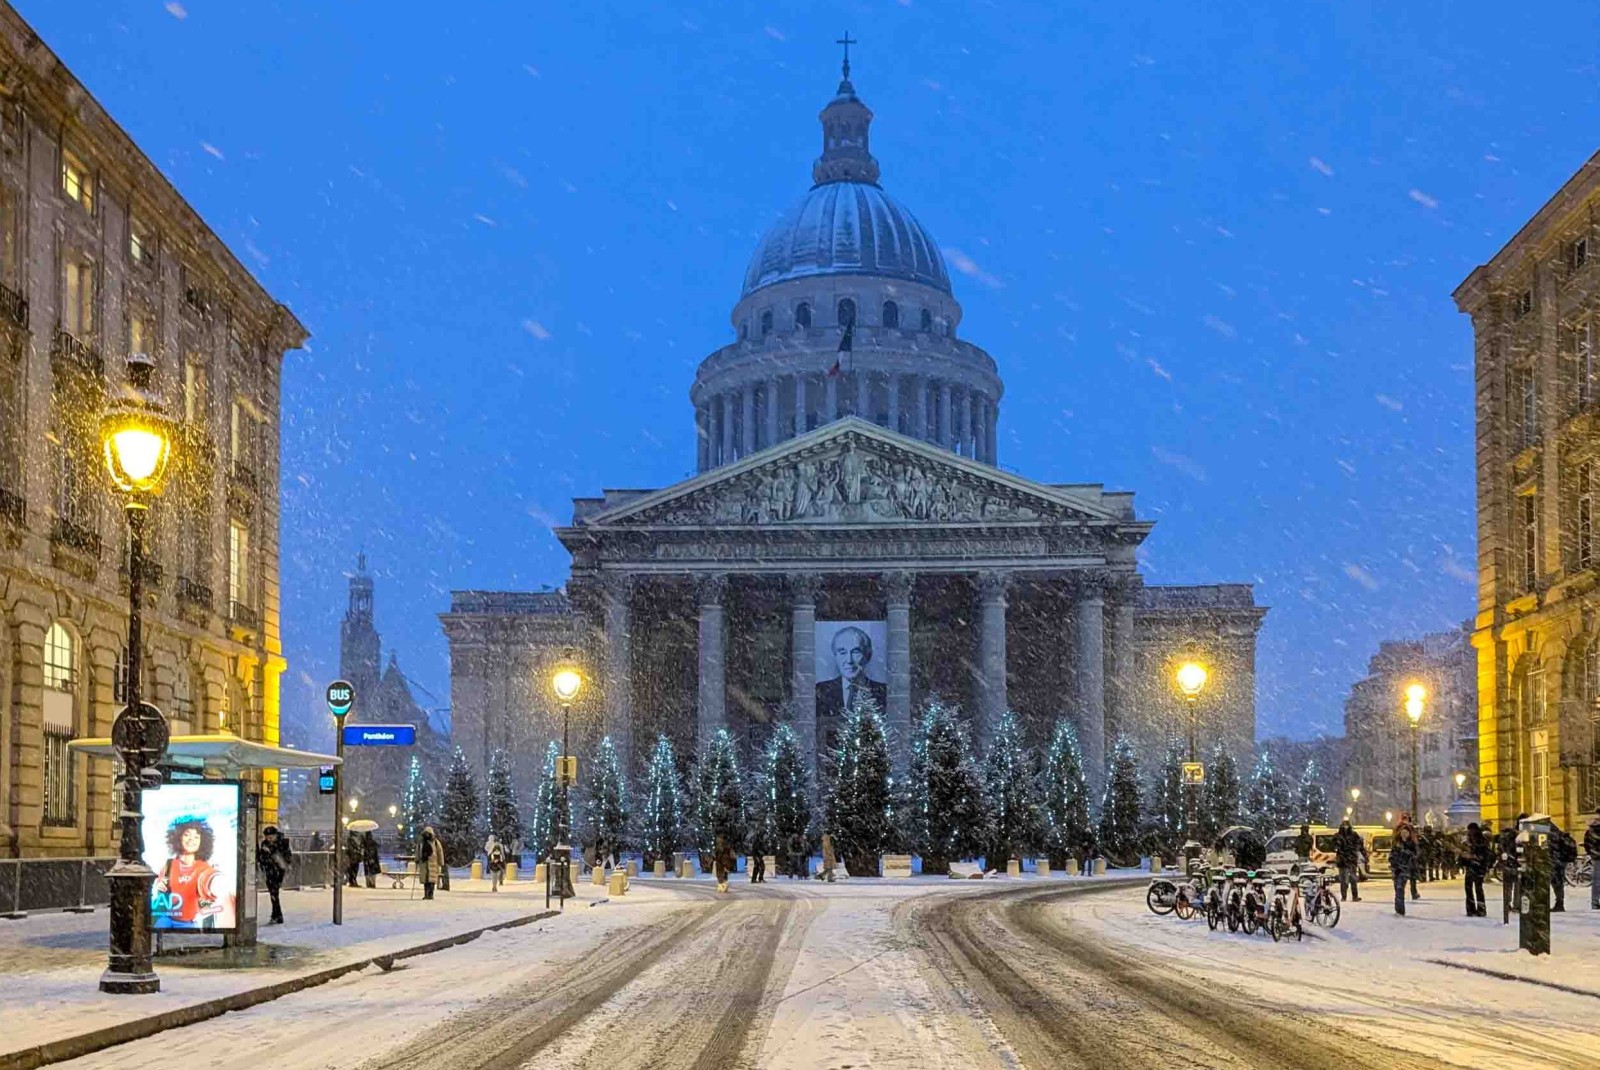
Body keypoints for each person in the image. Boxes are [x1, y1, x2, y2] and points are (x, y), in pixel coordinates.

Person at [152, 814, 232, 930]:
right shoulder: (168, 865)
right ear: (178, 838)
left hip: (187, 923)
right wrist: (159, 886)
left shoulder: (204, 868)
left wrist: (218, 886)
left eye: (196, 836)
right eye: (187, 835)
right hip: (165, 919)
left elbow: (212, 880)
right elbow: (159, 891)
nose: (192, 840)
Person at [814, 626, 888, 721]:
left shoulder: (884, 692)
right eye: (842, 652)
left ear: (868, 655)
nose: (849, 660)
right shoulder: (820, 691)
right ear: (835, 656)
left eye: (856, 652)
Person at [256, 825, 293, 926]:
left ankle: (277, 915)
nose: (269, 839)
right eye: (267, 837)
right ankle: (276, 915)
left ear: (275, 835)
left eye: (271, 837)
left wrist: (272, 852)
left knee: (274, 892)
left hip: (278, 870)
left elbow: (287, 856)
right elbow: (261, 858)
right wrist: (264, 854)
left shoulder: (282, 843)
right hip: (269, 871)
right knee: (274, 893)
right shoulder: (265, 844)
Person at [1462, 822, 1490, 918]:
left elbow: (1484, 855)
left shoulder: (1480, 840)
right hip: (1473, 867)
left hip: (1476, 867)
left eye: (1470, 830)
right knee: (1471, 888)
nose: (1469, 832)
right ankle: (1474, 909)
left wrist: (1472, 857)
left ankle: (1476, 910)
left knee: (1475, 888)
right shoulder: (1471, 840)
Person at [1332, 820, 1365, 902]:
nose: (1345, 827)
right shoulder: (1338, 836)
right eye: (1344, 825)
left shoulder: (1353, 835)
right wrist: (1338, 846)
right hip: (1343, 859)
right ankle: (1344, 896)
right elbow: (1333, 845)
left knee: (1353, 878)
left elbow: (1359, 844)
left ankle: (1354, 896)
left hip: (1351, 859)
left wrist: (1355, 850)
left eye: (1346, 825)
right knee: (1343, 880)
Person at [1389, 826, 1418, 916]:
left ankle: (1400, 911)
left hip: (1405, 869)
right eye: (1403, 832)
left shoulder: (1411, 844)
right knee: (1397, 889)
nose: (1404, 834)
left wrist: (1406, 853)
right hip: (1396, 869)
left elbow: (1415, 855)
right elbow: (1391, 854)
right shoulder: (1396, 843)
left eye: (1406, 833)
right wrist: (1393, 862)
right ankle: (1398, 909)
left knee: (1400, 888)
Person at [1550, 824, 1577, 913]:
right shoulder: (1556, 831)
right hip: (1561, 860)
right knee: (1558, 882)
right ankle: (1559, 903)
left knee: (1556, 882)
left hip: (1556, 860)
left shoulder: (1548, 832)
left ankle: (1559, 903)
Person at [418, 826, 443, 900]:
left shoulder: (435, 842)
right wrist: (417, 859)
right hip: (424, 863)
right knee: (426, 881)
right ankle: (426, 894)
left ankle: (430, 894)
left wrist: (441, 862)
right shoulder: (421, 842)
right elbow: (418, 851)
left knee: (432, 880)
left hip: (433, 863)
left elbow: (439, 852)